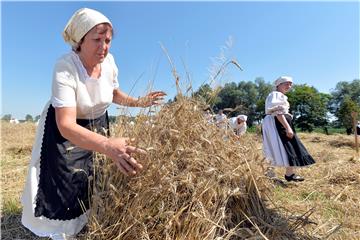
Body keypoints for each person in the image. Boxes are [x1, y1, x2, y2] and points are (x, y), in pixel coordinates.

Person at [21, 8, 166, 240]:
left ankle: (83, 221)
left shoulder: (109, 63)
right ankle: (57, 230)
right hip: (66, 127)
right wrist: (108, 145)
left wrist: (139, 102)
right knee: (63, 178)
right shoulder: (66, 66)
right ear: (80, 41)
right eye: (97, 40)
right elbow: (66, 124)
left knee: (89, 176)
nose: (104, 47)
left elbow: (113, 93)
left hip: (97, 123)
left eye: (107, 40)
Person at [262, 76, 315, 182]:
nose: (289, 86)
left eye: (291, 84)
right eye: (286, 83)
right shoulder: (276, 94)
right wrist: (287, 127)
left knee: (289, 147)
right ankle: (271, 175)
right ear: (278, 85)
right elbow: (278, 112)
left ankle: (289, 174)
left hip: (279, 122)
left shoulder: (280, 95)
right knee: (276, 147)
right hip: (277, 123)